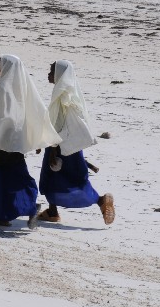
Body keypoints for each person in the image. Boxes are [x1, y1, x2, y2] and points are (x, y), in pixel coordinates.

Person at [0, 55, 60, 228]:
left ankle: (21, 209)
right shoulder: (23, 87)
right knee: (12, 174)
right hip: (17, 140)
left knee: (3, 176)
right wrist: (33, 140)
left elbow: (0, 116)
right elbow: (34, 114)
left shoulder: (2, 85)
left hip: (4, 139)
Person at [38, 60, 115, 225]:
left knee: (54, 179)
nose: (49, 74)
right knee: (71, 178)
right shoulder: (72, 93)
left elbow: (58, 123)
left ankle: (101, 200)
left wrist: (52, 148)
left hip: (59, 147)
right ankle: (52, 212)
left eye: (52, 71)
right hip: (71, 146)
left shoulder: (61, 95)